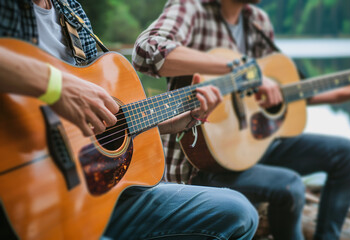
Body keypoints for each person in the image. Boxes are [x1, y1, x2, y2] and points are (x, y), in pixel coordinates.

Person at [0, 0, 259, 239]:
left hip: (94, 193)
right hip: (26, 200)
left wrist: (167, 123)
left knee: (238, 212)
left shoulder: (70, 10)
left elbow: (103, 122)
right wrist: (56, 86)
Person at [132, 0, 350, 239]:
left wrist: (340, 95)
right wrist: (239, 70)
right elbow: (147, 51)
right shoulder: (191, 7)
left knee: (349, 155)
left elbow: (276, 93)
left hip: (251, 146)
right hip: (203, 162)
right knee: (290, 185)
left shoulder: (258, 21)